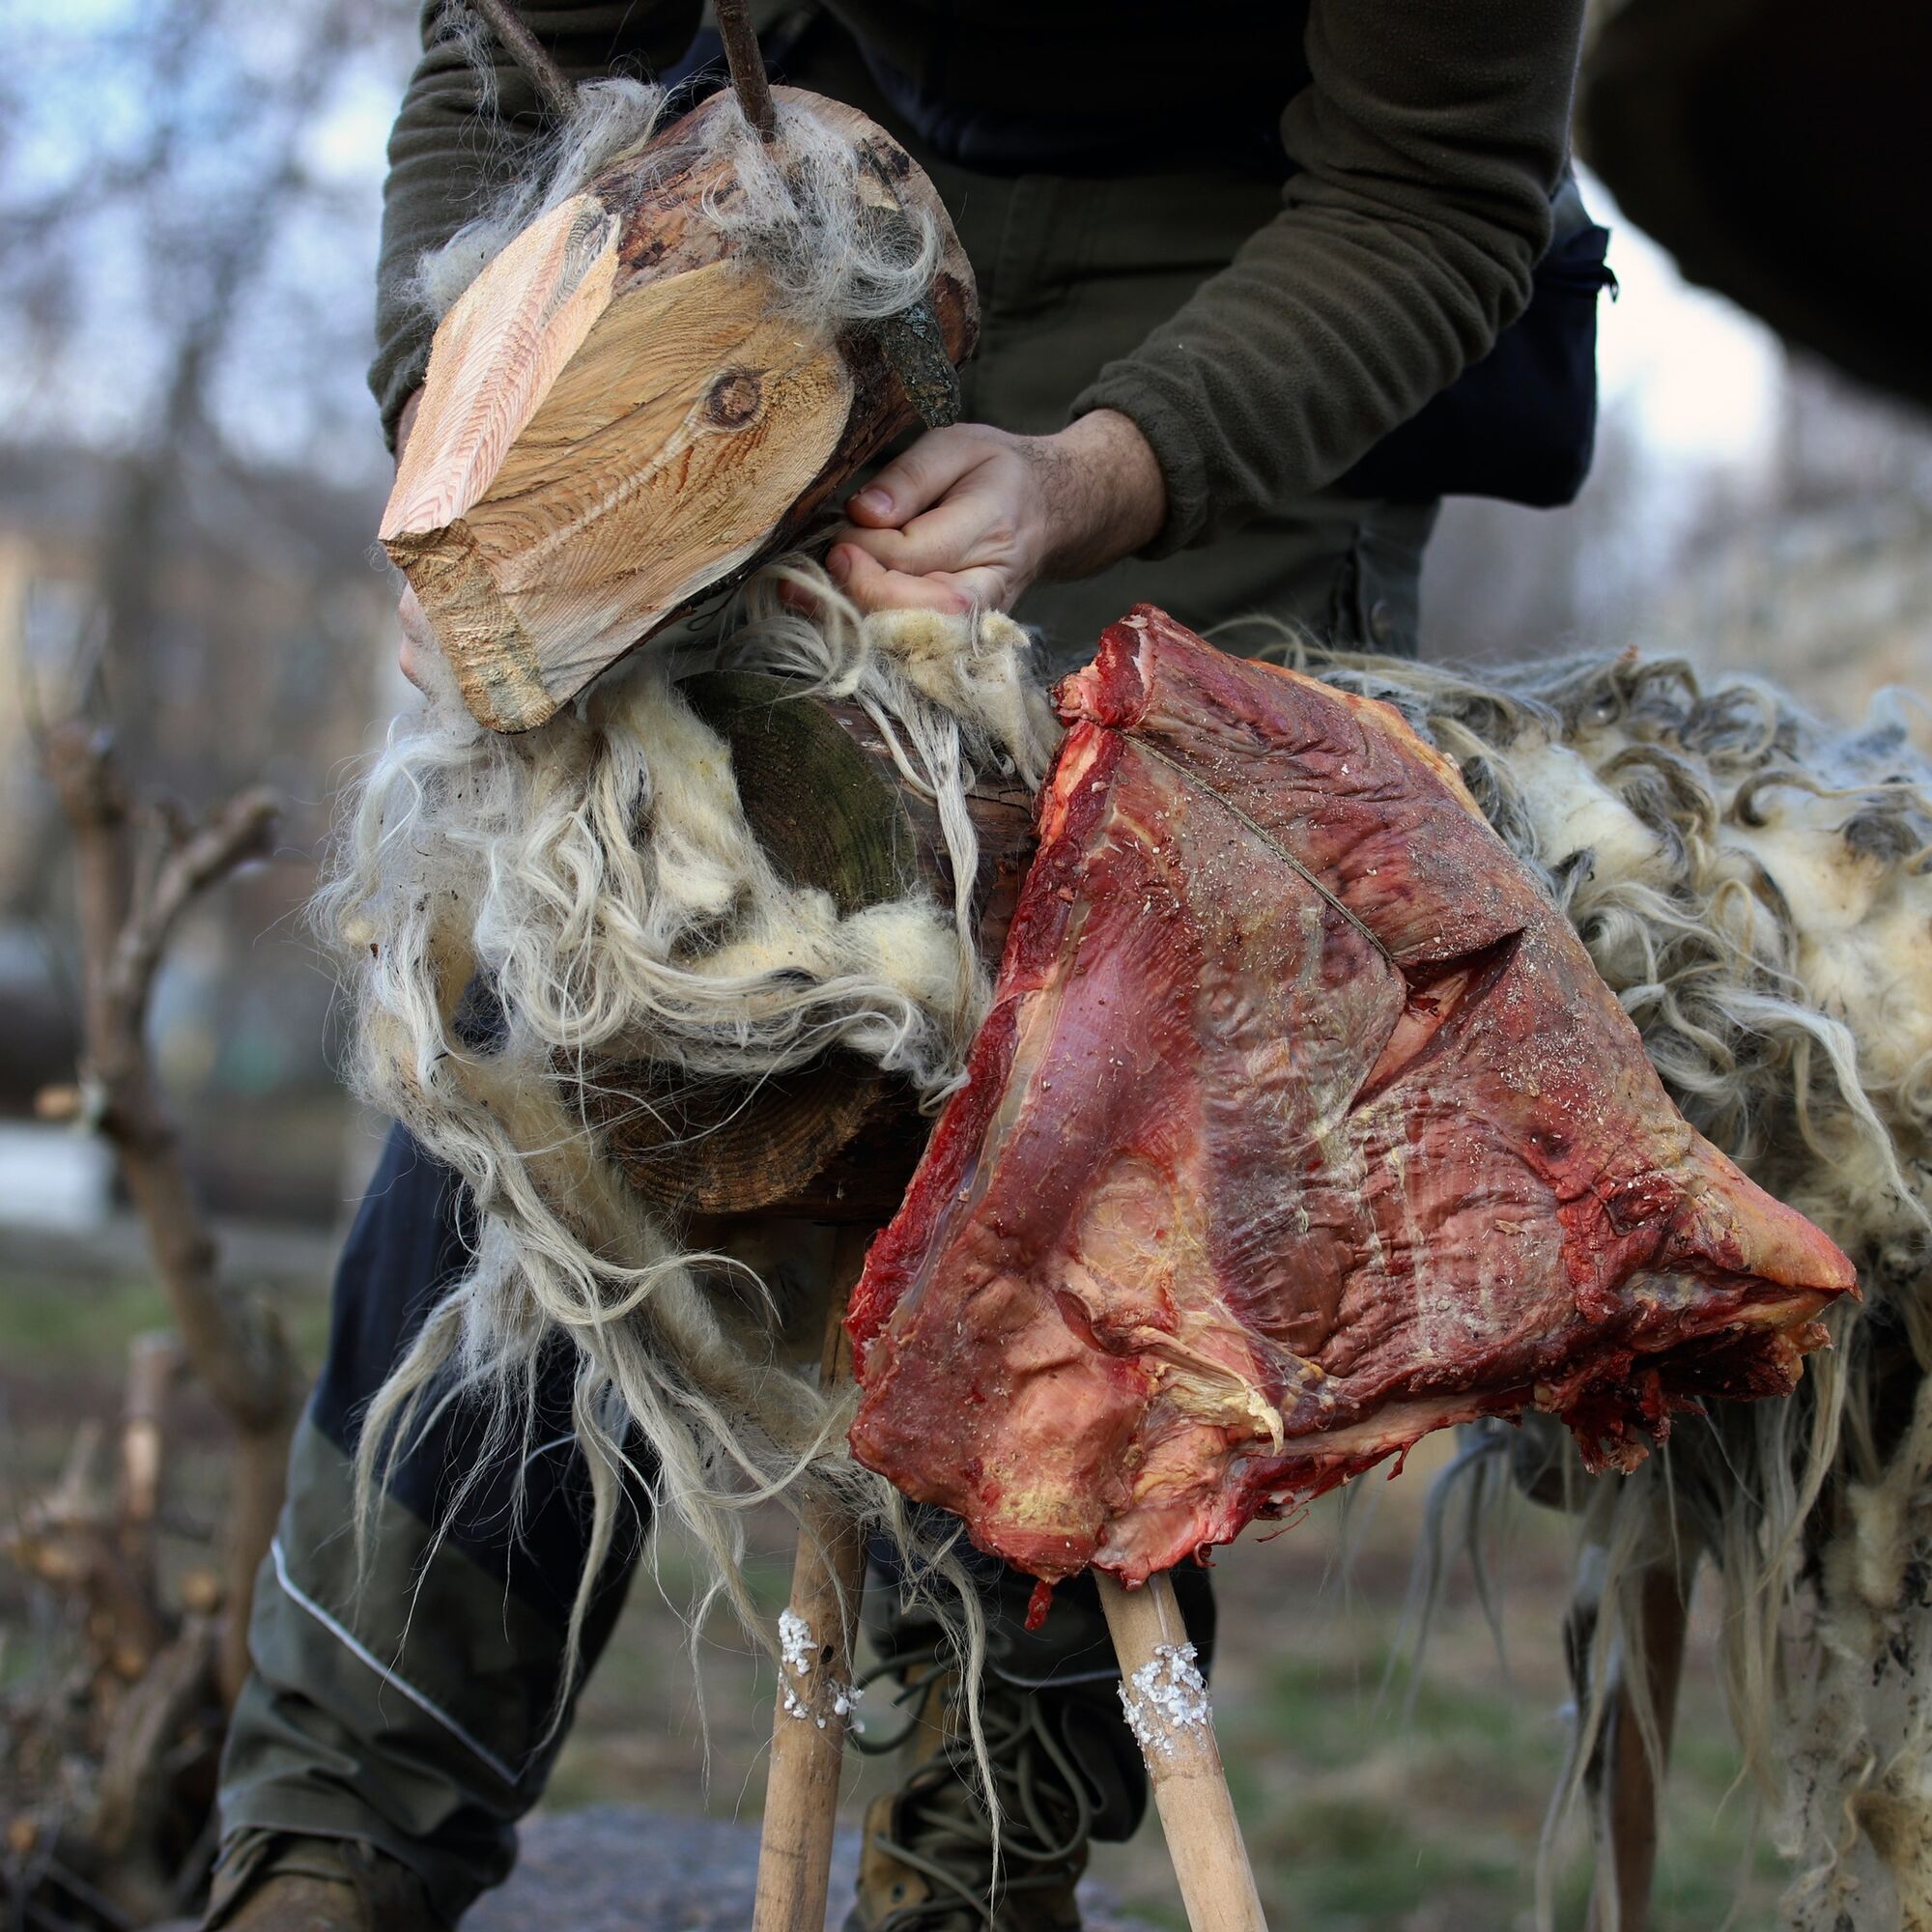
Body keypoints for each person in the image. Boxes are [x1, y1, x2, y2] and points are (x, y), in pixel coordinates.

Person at [208, 4, 1598, 1928]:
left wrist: (1099, 473)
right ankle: (335, 1832)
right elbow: (494, 57)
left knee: (1091, 1020)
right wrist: (468, 461)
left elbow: (1427, 195)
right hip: (777, 162)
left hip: (1239, 231)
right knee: (560, 952)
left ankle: (975, 1847)